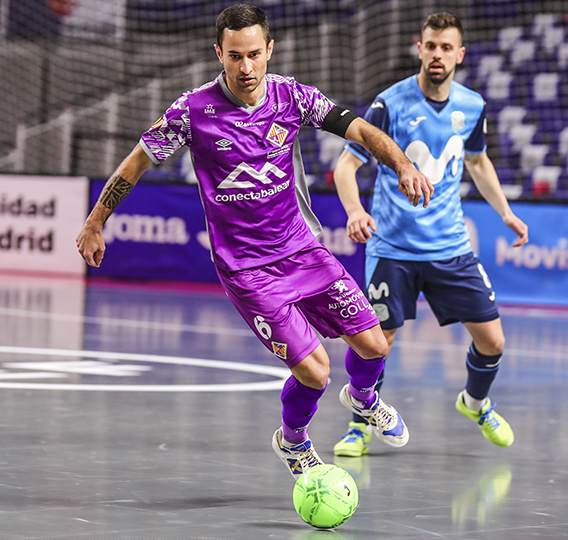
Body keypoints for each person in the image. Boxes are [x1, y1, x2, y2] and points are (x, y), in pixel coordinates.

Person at [76, 4, 433, 477]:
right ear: (218, 54)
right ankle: (294, 441)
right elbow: (135, 163)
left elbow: (361, 129)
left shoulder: (293, 97)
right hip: (248, 270)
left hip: (303, 250)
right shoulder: (192, 110)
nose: (245, 68)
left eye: (253, 55)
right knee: (315, 372)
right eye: (234, 57)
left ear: (269, 50)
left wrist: (402, 163)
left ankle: (364, 398)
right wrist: (95, 221)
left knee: (375, 345)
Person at [331, 12, 529, 457]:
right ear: (418, 49)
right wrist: (354, 210)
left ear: (459, 55)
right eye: (430, 46)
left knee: (493, 341)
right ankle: (360, 424)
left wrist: (506, 213)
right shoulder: (389, 104)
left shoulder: (473, 105)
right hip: (393, 248)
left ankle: (474, 402)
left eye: (446, 47)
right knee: (376, 344)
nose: (436, 54)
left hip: (450, 248)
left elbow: (477, 162)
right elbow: (346, 165)